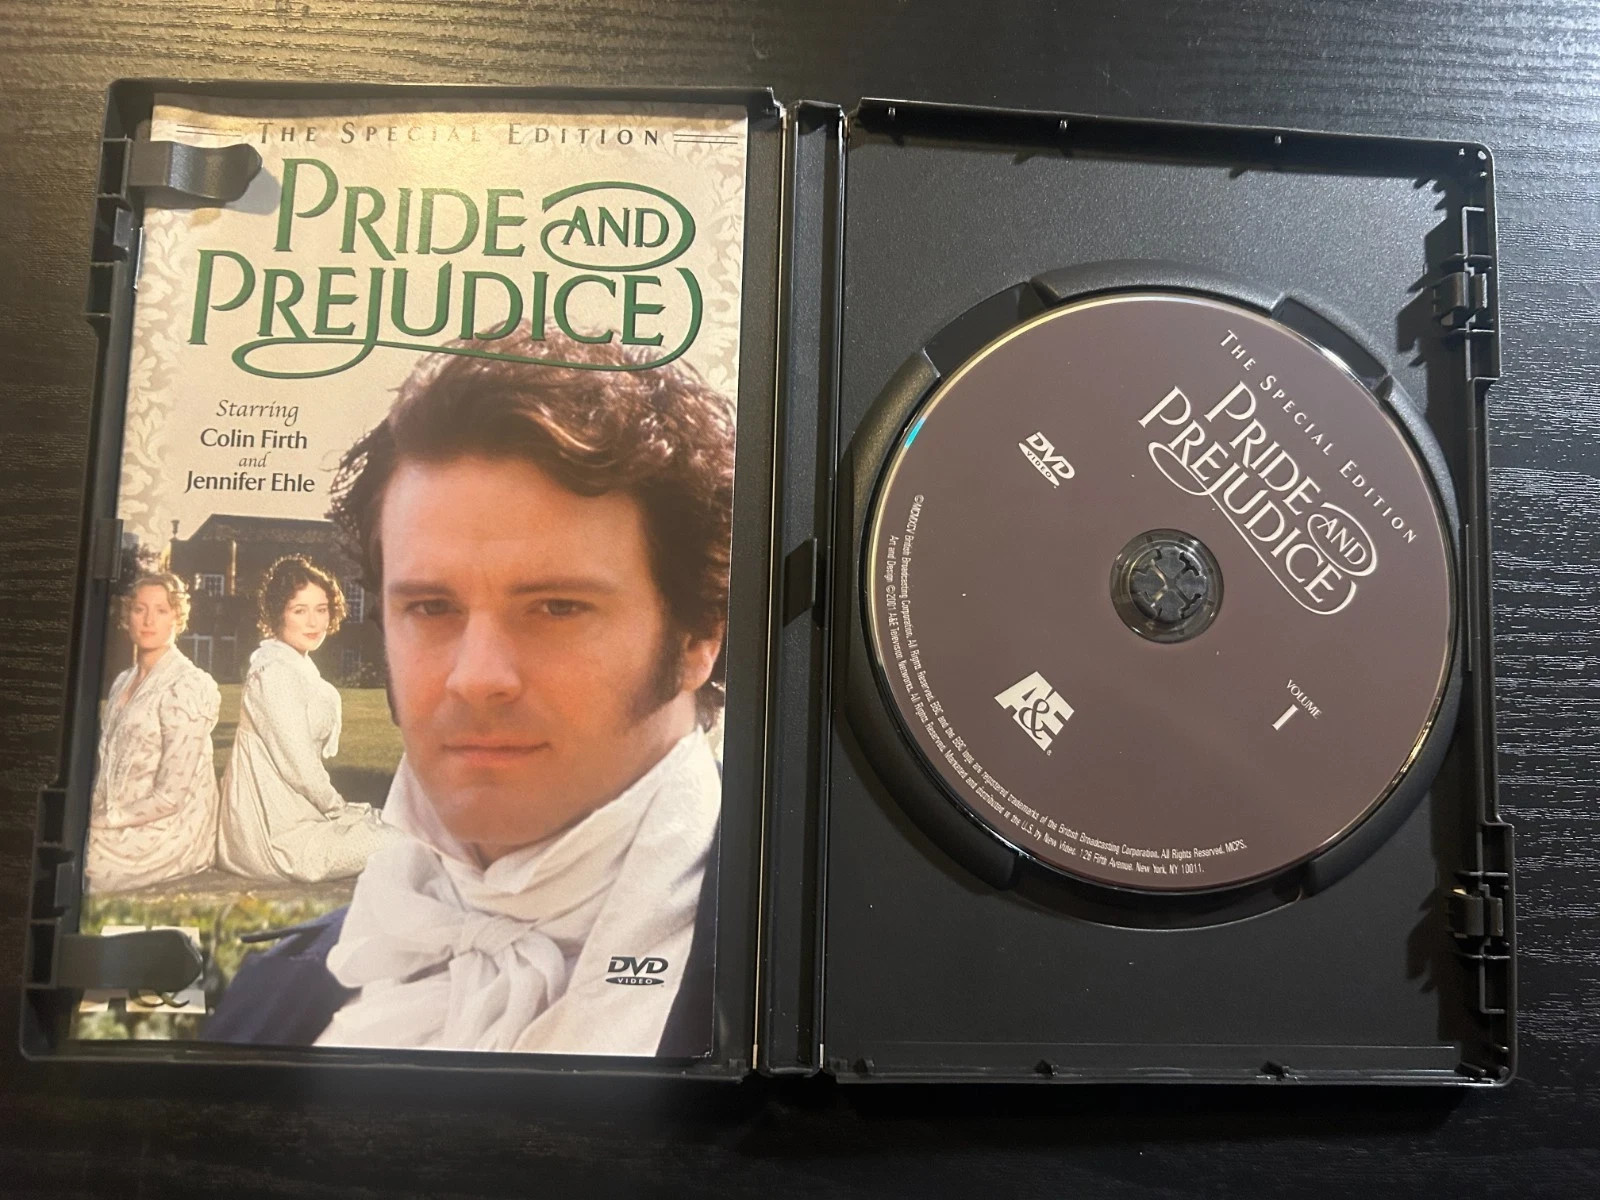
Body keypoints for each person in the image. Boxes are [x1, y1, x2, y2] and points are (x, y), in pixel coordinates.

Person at [207, 328, 734, 1057]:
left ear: (698, 638)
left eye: (557, 607)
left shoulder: (805, 983)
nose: (475, 676)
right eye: (431, 607)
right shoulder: (267, 1000)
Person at [217, 555, 403, 882]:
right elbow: (299, 765)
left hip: (297, 815)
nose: (314, 622)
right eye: (299, 611)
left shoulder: (297, 667)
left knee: (403, 828)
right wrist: (337, 809)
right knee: (407, 841)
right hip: (273, 838)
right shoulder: (273, 673)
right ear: (278, 614)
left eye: (321, 609)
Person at [85, 573, 222, 893]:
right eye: (139, 609)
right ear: (127, 616)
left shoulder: (187, 685)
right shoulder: (123, 681)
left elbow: (170, 796)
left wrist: (106, 819)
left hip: (169, 831)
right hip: (121, 815)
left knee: (79, 861)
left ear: (177, 617)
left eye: (161, 610)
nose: (148, 621)